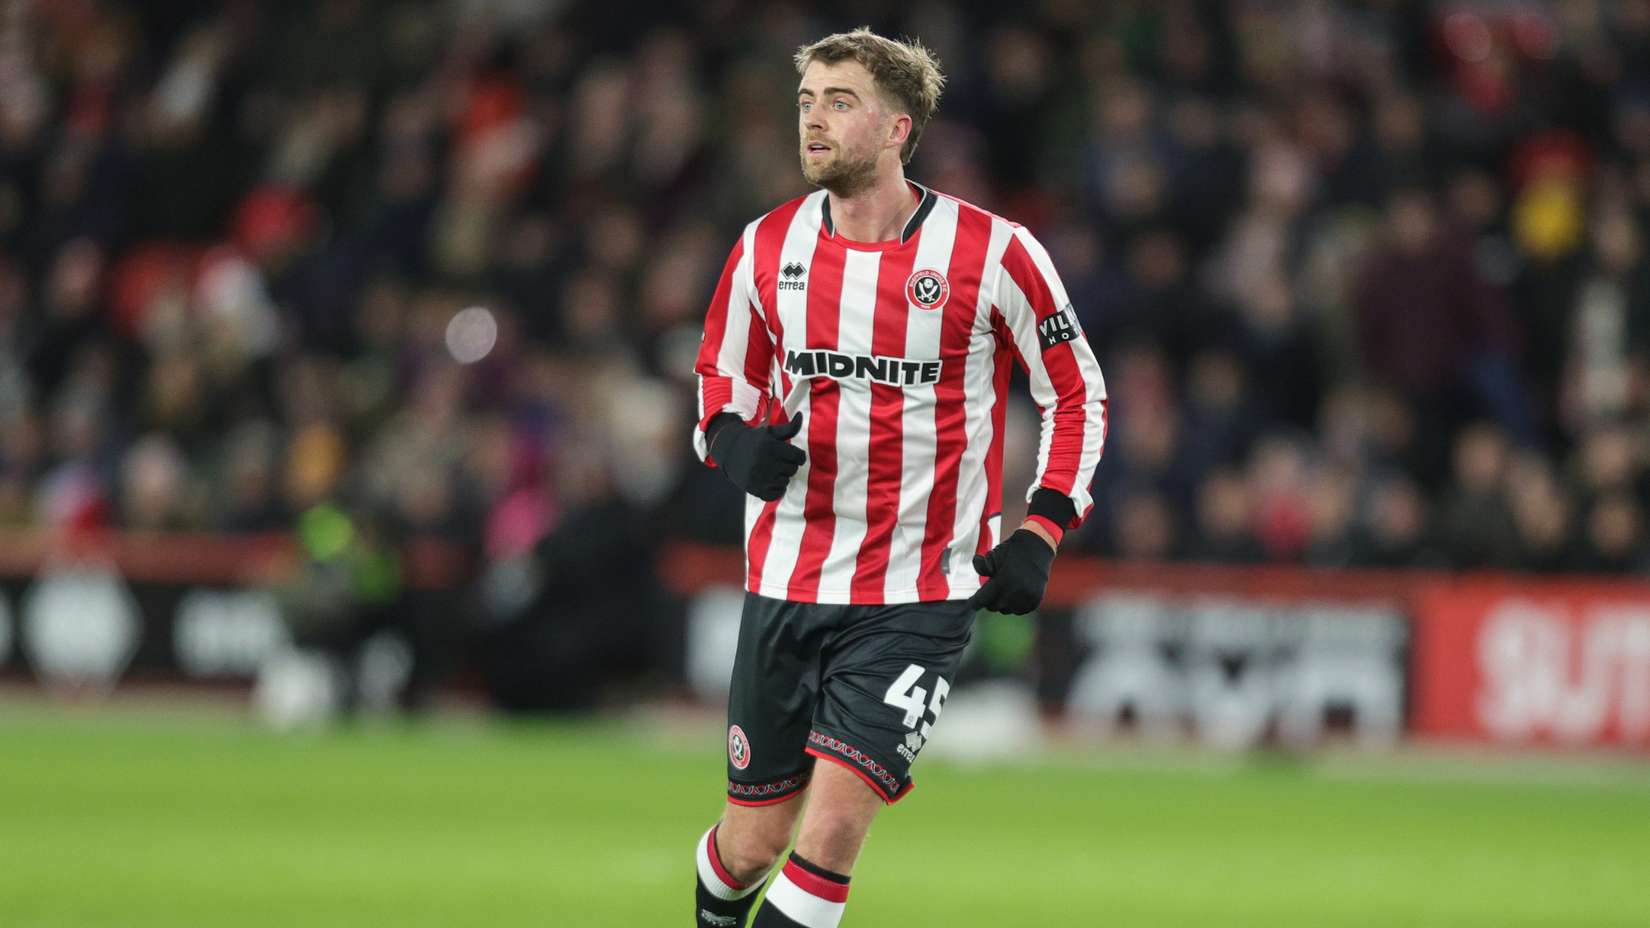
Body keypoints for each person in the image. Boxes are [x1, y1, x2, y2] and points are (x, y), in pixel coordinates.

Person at [690, 29, 1107, 928]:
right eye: (806, 101)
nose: (813, 119)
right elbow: (719, 381)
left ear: (896, 129)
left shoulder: (994, 253)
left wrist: (1042, 525)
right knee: (751, 846)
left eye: (839, 102)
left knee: (833, 830)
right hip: (786, 581)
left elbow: (1079, 394)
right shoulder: (766, 247)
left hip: (917, 595)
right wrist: (734, 442)